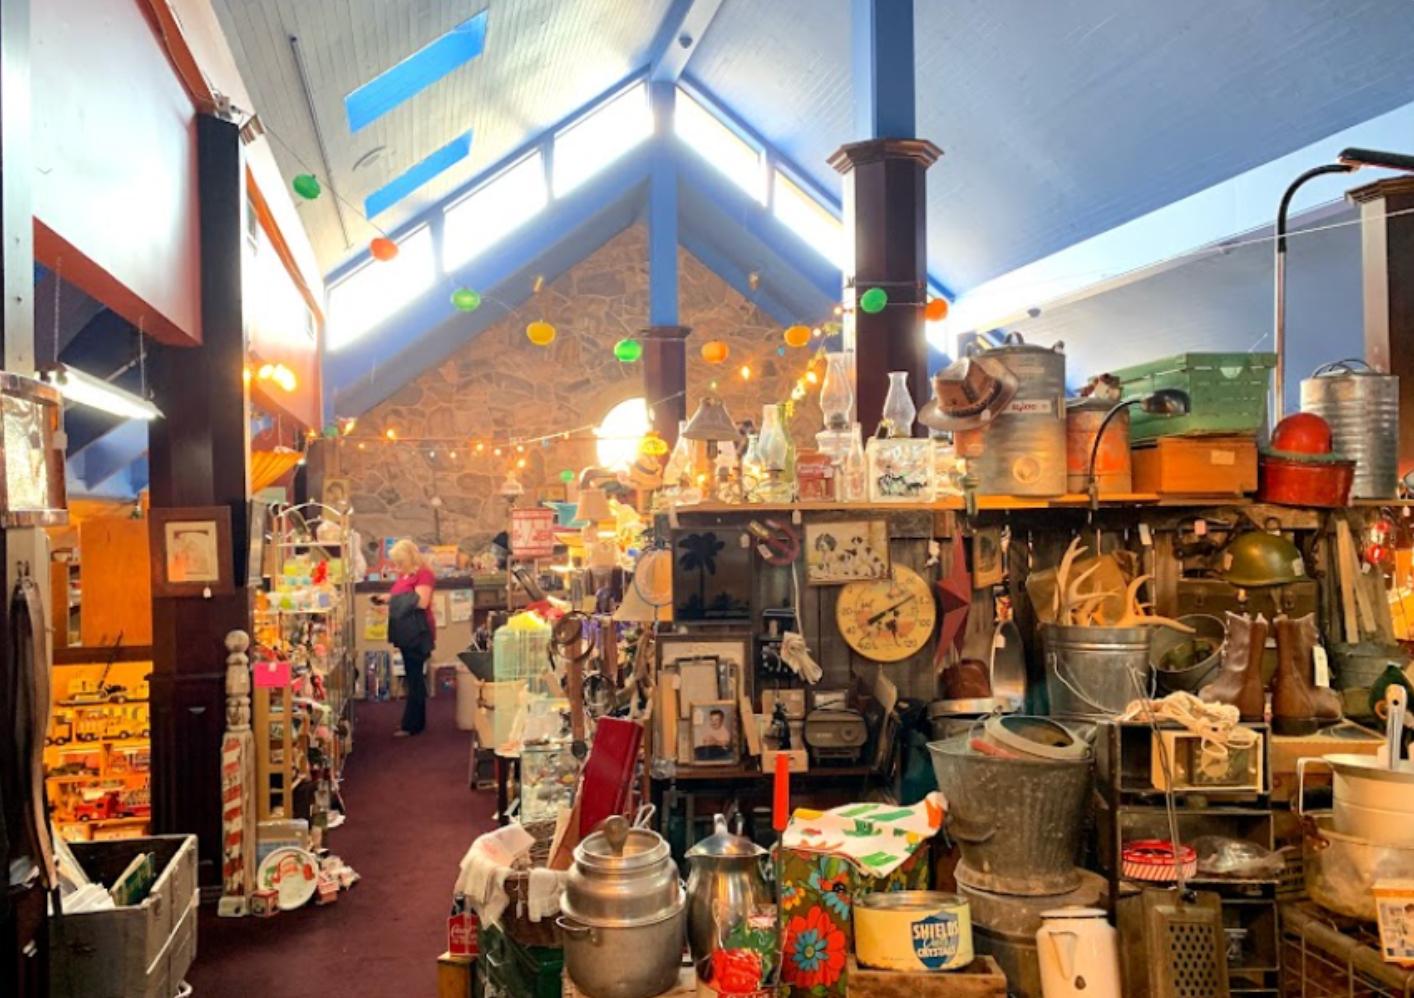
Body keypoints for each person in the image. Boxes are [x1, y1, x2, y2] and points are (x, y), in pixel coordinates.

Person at [373, 539, 436, 737]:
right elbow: (405, 596)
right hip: (406, 631)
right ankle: (414, 723)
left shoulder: (424, 574)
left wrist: (394, 600)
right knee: (412, 677)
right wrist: (387, 598)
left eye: (399, 562)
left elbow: (421, 602)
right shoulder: (405, 575)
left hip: (417, 632)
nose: (396, 566)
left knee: (415, 678)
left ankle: (412, 725)